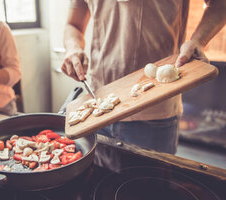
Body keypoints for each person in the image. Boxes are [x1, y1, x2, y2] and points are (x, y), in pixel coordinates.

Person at [62, 0, 226, 154]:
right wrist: (72, 48)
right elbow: (73, 25)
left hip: (155, 112)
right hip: (97, 102)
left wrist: (198, 40)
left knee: (151, 183)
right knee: (102, 180)